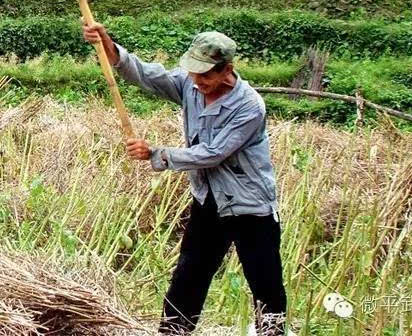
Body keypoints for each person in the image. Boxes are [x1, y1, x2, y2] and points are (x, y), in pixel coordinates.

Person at [83, 23, 287, 336]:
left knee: (264, 282)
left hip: (249, 205)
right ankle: (173, 332)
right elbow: (149, 76)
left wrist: (156, 153)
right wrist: (108, 46)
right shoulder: (191, 85)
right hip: (208, 200)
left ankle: (271, 333)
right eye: (193, 72)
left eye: (206, 75)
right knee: (189, 274)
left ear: (226, 70)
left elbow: (212, 154)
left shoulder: (248, 106)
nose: (198, 81)